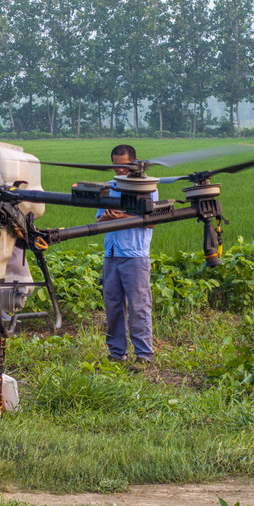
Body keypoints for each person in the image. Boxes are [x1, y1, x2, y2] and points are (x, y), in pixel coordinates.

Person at [96, 144, 155, 367]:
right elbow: (99, 219)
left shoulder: (146, 187)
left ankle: (143, 355)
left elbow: (151, 223)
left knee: (138, 306)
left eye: (123, 166)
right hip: (111, 254)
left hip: (135, 256)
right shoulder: (109, 187)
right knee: (112, 305)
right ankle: (117, 354)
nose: (119, 171)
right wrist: (108, 219)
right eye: (115, 166)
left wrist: (121, 217)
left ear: (134, 162)